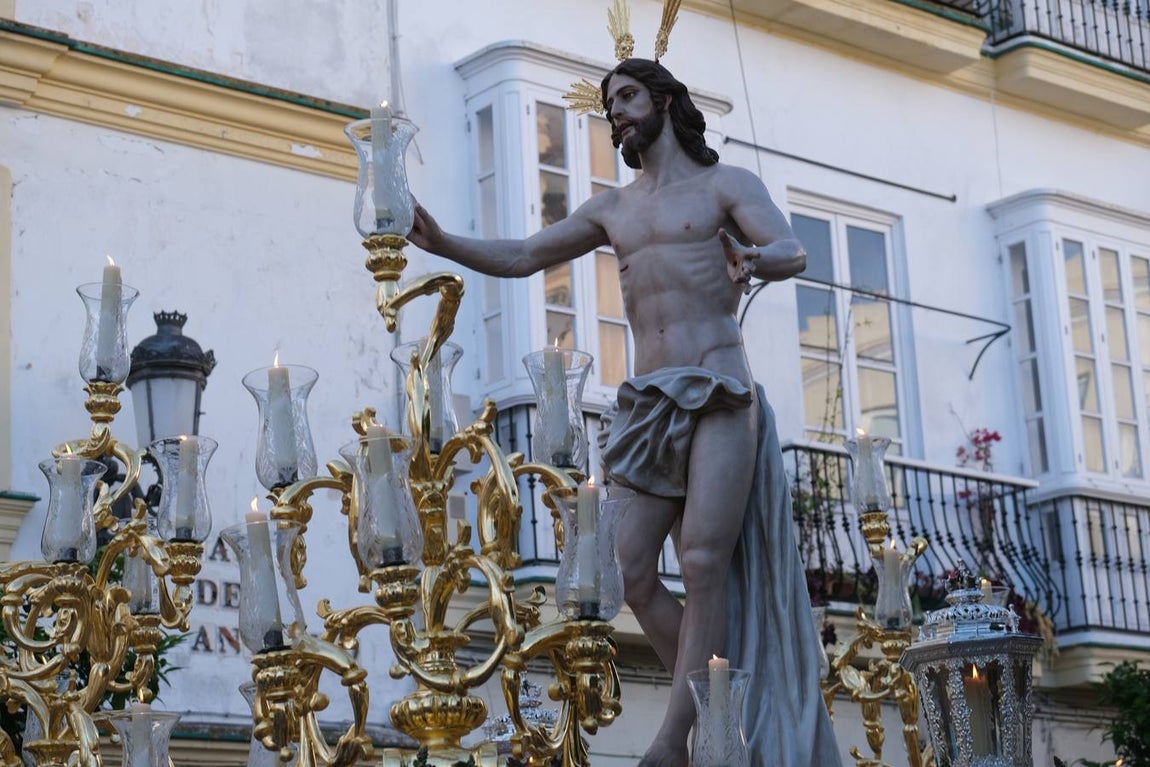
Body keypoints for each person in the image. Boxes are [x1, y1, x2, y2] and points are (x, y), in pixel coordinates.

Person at [409, 57, 841, 767]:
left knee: (702, 561)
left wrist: (756, 262)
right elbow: (523, 254)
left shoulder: (726, 185)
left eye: (629, 96)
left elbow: (789, 247)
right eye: (609, 104)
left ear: (666, 100)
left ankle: (674, 739)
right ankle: (718, 700)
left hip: (719, 388)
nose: (617, 113)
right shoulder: (615, 208)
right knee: (628, 568)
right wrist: (444, 243)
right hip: (648, 401)